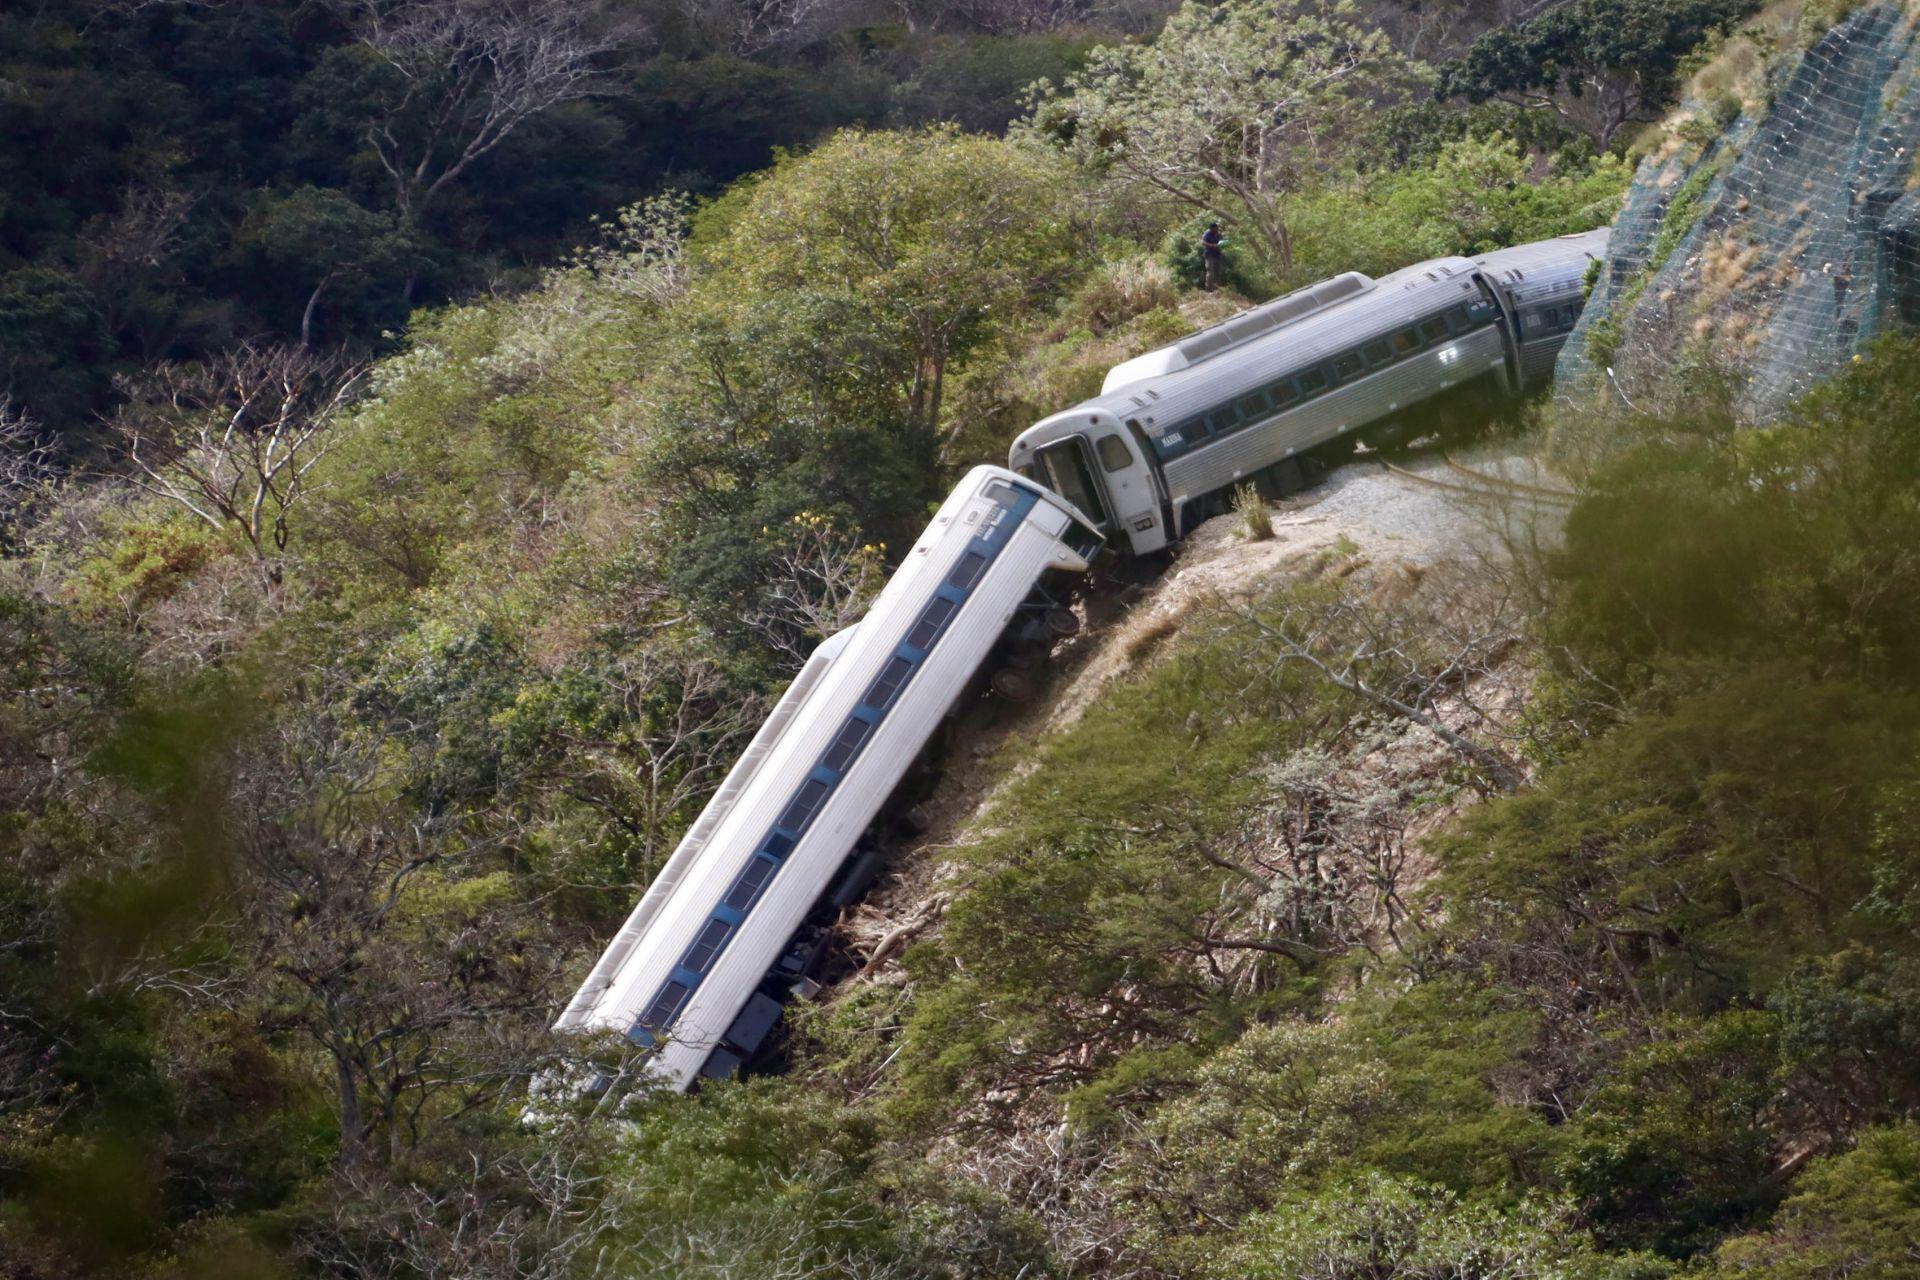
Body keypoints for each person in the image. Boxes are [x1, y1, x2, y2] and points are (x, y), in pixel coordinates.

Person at [1201, 221, 1225, 292]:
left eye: (1217, 228)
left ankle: (1216, 288)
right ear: (1212, 228)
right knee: (1210, 272)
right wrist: (1212, 245)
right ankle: (1208, 289)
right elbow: (1203, 242)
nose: (1217, 229)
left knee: (1218, 271)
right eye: (1215, 228)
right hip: (1209, 255)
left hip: (1217, 254)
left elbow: (1222, 241)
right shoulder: (1207, 233)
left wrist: (1222, 243)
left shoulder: (1218, 234)